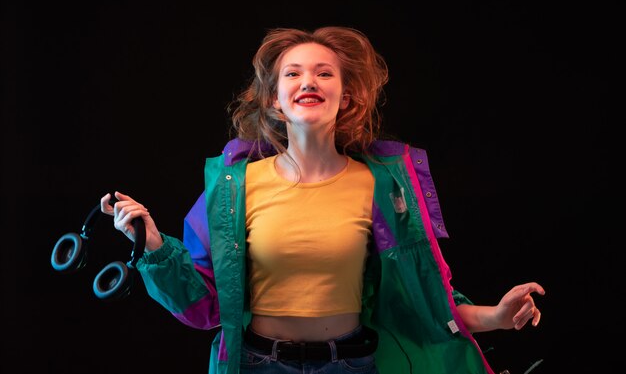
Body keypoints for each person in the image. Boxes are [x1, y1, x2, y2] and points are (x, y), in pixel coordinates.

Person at [100, 26, 545, 374]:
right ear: (275, 101)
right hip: (258, 365)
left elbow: (421, 296)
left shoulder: (384, 187)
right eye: (292, 73)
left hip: (351, 365)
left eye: (324, 72)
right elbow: (205, 304)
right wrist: (154, 245)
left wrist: (496, 316)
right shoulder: (234, 188)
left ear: (345, 97)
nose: (308, 80)